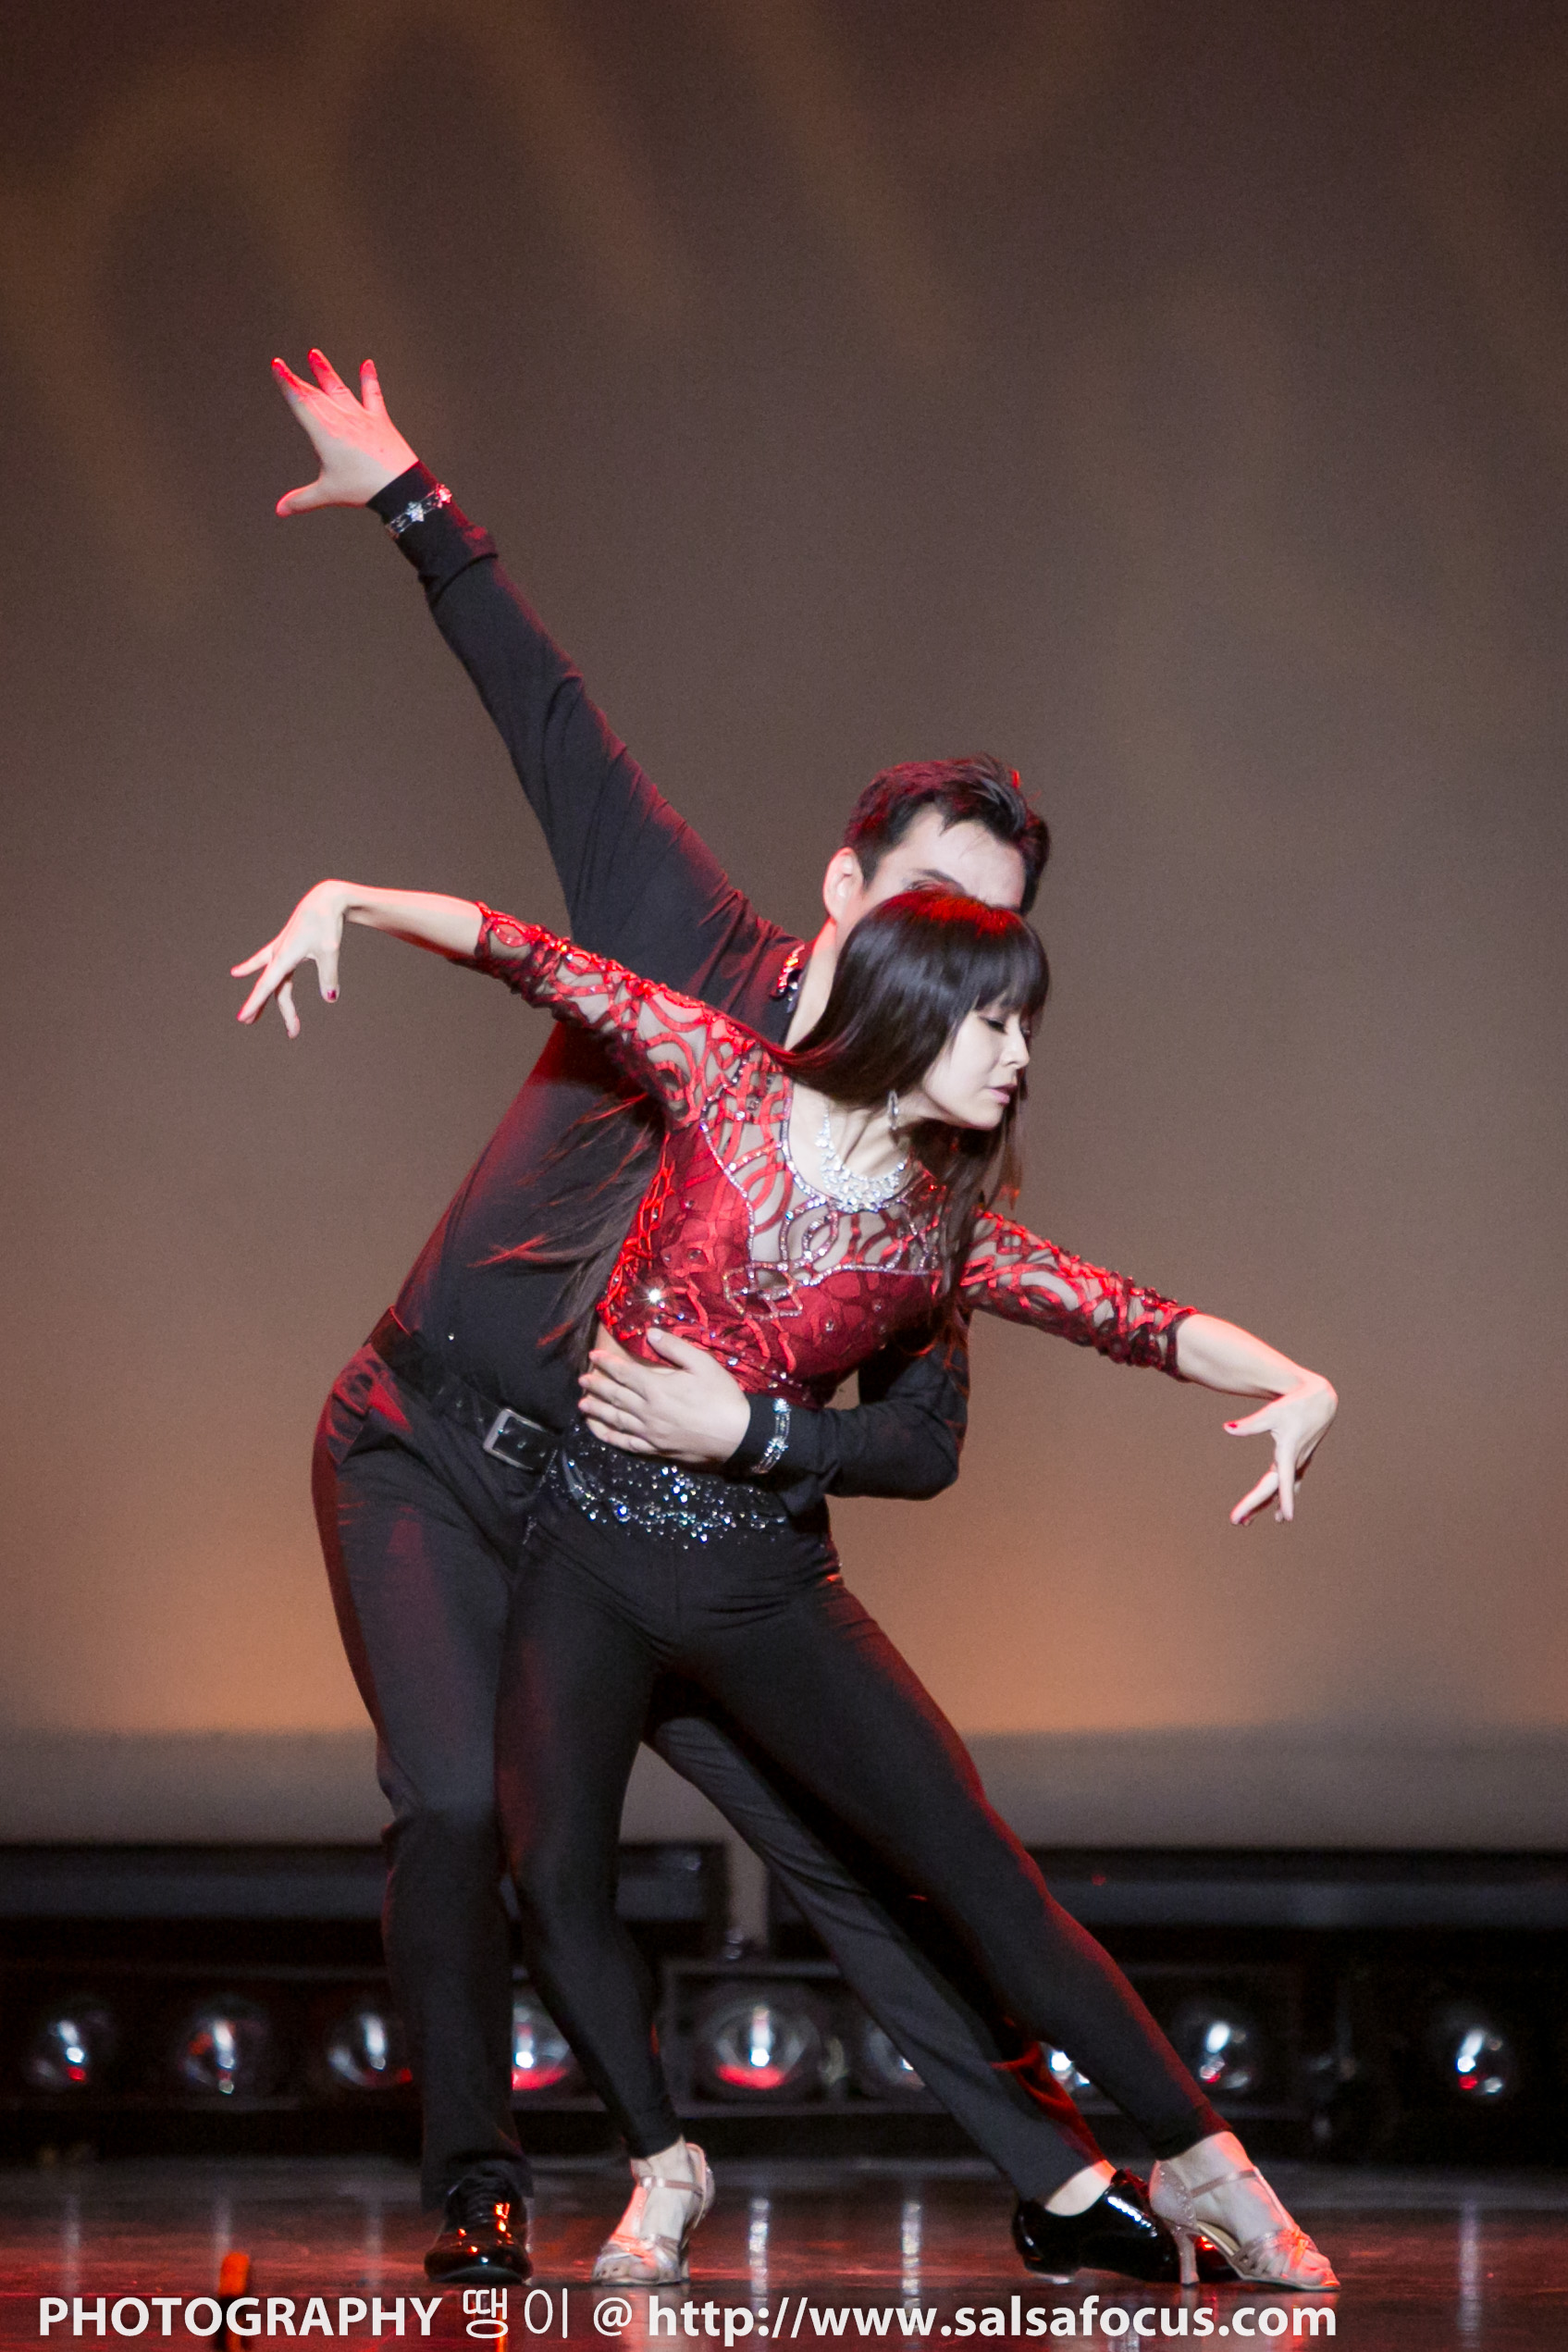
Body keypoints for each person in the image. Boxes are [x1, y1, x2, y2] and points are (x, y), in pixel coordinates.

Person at [262, 352, 1244, 2294]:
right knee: (455, 1803)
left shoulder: (924, 1172)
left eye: (990, 938)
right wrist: (409, 500)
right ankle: (477, 2177)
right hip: (434, 1448)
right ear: (843, 885)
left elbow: (915, 1435)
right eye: (923, 908)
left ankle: (1057, 2181)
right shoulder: (682, 940)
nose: (948, 958)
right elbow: (547, 717)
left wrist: (765, 1444)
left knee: (834, 1843)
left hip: (659, 1519)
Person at [234, 876, 1339, 2297]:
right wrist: (348, 900)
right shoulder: (725, 1077)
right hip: (586, 1556)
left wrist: (1296, 1380)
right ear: (914, 1011)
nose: (1019, 1056)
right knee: (550, 1875)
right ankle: (663, 2165)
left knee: (979, 1876)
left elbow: (1127, 1315)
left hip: (759, 1587)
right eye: (997, 1023)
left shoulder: (940, 1232)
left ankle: (1207, 2160)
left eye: (1026, 1027)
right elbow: (536, 957)